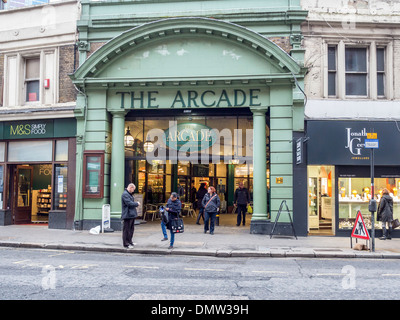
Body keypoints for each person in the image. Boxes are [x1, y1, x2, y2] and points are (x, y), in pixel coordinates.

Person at [121, 183, 140, 248]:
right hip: (127, 215)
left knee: (131, 229)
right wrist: (136, 204)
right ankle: (126, 244)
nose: (133, 191)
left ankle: (130, 241)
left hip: (131, 214)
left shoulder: (128, 194)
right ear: (130, 187)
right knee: (126, 230)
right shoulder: (125, 194)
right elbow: (129, 203)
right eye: (133, 189)